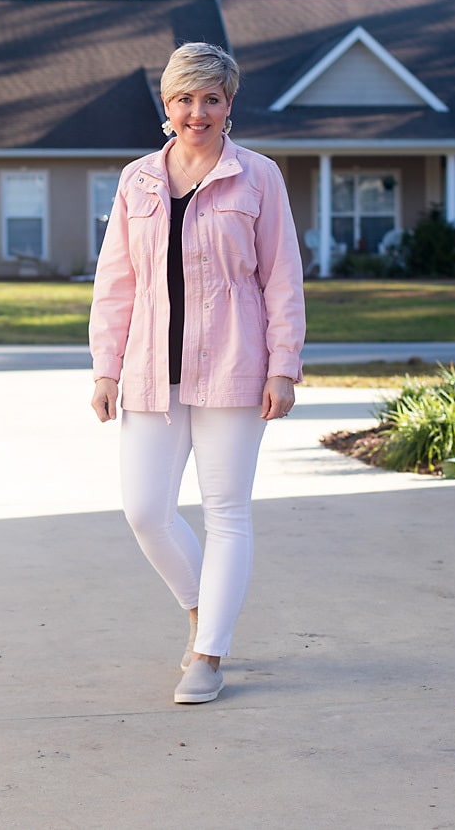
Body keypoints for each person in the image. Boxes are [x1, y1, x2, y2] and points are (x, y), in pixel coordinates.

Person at [89, 42, 305, 705]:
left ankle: (208, 652)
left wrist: (284, 368)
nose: (197, 111)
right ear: (167, 105)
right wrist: (105, 369)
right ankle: (199, 611)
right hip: (152, 375)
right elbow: (116, 282)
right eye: (185, 98)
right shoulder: (138, 180)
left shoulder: (259, 177)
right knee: (146, 510)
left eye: (211, 98)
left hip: (235, 372)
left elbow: (282, 279)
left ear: (229, 105)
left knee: (227, 513)